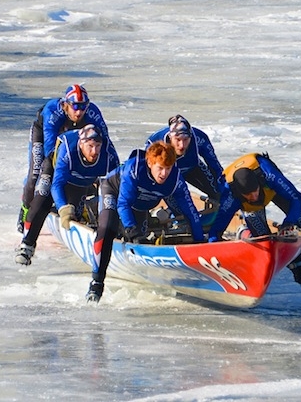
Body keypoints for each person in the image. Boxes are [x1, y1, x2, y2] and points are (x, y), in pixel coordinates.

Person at [87, 141, 205, 303]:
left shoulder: (175, 179)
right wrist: (131, 229)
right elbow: (123, 204)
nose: (164, 174)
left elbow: (191, 211)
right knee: (108, 228)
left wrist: (200, 242)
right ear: (150, 163)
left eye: (168, 168)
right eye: (160, 168)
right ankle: (96, 282)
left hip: (140, 206)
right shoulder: (134, 170)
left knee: (138, 238)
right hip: (114, 192)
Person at [15, 124, 120, 267]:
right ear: (81, 144)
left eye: (98, 146)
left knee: (76, 214)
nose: (95, 151)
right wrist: (63, 208)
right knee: (43, 199)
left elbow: (116, 184)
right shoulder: (68, 150)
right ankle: (27, 245)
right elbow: (57, 184)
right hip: (54, 171)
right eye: (90, 146)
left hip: (82, 182)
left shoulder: (109, 154)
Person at [18, 84, 117, 233]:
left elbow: (105, 143)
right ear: (65, 105)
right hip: (44, 135)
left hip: (75, 139)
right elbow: (51, 151)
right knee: (36, 173)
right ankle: (26, 209)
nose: (79, 112)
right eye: (75, 107)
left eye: (83, 107)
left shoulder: (93, 113)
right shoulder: (53, 111)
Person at [206, 152, 301, 285]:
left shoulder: (269, 176)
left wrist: (289, 221)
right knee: (263, 241)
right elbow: (216, 230)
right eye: (248, 194)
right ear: (240, 193)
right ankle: (244, 233)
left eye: (255, 191)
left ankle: (297, 264)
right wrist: (213, 254)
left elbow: (297, 198)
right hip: (251, 207)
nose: (254, 196)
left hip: (271, 189)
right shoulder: (231, 196)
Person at [144, 115, 225, 204]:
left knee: (220, 194)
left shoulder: (199, 138)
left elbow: (214, 164)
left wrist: (225, 187)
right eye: (177, 140)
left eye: (186, 139)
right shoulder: (155, 142)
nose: (182, 145)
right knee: (180, 209)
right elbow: (148, 172)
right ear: (171, 137)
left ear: (191, 137)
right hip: (168, 175)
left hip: (192, 167)